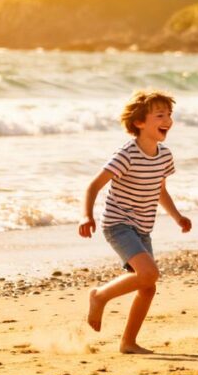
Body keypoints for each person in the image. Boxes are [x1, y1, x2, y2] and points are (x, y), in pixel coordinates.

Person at [79, 90, 192, 354]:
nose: (168, 120)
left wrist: (177, 216)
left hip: (142, 228)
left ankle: (128, 342)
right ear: (139, 122)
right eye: (160, 115)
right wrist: (87, 215)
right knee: (148, 274)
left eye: (169, 115)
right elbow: (93, 185)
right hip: (118, 223)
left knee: (148, 287)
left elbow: (160, 190)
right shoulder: (126, 154)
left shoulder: (164, 155)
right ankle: (100, 296)